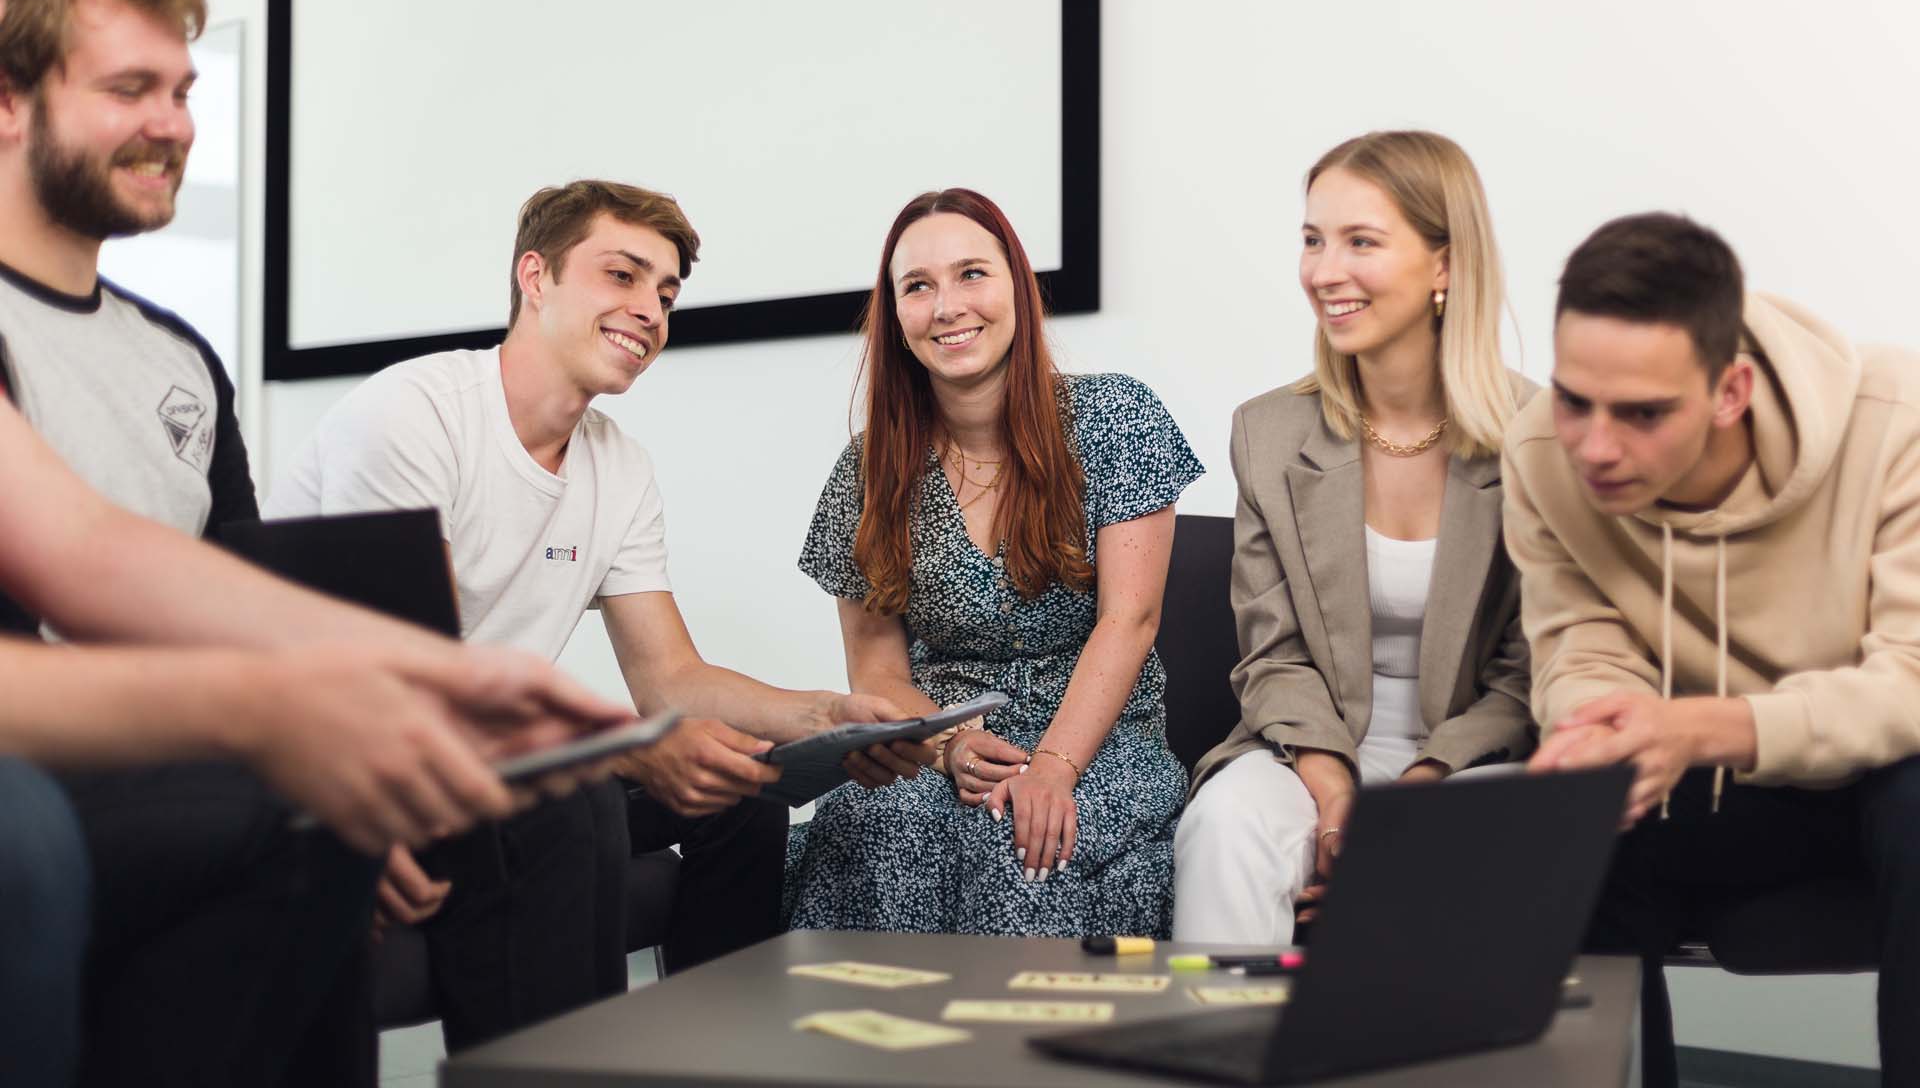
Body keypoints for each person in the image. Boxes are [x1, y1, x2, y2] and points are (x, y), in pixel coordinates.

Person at [0, 0, 624, 1085]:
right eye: (131, 89)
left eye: (183, 92)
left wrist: (440, 680)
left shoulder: (178, 356)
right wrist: (285, 723)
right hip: (69, 763)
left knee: (553, 801)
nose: (173, 125)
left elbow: (99, 552)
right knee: (281, 821)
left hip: (157, 748)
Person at [267, 178, 910, 1045]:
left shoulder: (620, 465)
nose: (650, 310)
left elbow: (671, 679)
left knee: (744, 796)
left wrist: (828, 717)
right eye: (622, 275)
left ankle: (717, 1061)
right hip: (371, 753)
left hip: (497, 755)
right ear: (536, 277)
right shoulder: (413, 416)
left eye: (666, 294)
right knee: (578, 801)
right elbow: (420, 678)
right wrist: (630, 749)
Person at [1510, 212, 1920, 1088]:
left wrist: (1699, 727)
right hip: (1724, 789)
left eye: (1643, 413)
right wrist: (1596, 732)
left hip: (1883, 775)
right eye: (1574, 400)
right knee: (1581, 820)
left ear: (1731, 391)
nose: (1595, 447)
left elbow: (1912, 681)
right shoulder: (1540, 452)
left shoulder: (1898, 418)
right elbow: (1580, 645)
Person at [784, 187, 1204, 937]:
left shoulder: (1115, 418)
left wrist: (1055, 765)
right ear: (896, 315)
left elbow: (1130, 621)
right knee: (869, 828)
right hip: (948, 743)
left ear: (1018, 287)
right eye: (918, 286)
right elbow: (877, 672)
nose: (947, 307)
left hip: (1099, 742)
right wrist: (946, 746)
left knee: (1021, 845)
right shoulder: (867, 471)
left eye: (971, 274)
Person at [1172, 131, 1535, 945]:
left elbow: (1530, 672)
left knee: (1481, 849)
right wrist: (1336, 797)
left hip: (1475, 763)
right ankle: (1216, 1027)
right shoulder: (1268, 432)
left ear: (1445, 265)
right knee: (1226, 824)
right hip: (1311, 752)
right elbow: (1273, 655)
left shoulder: (1539, 437)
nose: (1323, 271)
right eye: (1313, 240)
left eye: (1360, 242)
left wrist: (1419, 789)